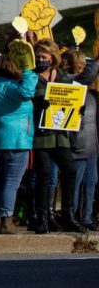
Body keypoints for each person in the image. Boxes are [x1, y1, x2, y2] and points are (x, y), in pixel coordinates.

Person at [0, 39, 37, 235]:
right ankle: (6, 220)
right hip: (16, 140)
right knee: (11, 182)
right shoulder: (11, 88)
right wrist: (30, 71)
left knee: (2, 180)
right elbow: (27, 92)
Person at [29, 39, 82, 232]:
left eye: (44, 56)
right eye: (38, 56)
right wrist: (37, 105)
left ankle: (68, 214)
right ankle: (41, 217)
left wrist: (78, 109)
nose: (40, 59)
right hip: (41, 135)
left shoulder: (62, 77)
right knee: (43, 174)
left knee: (70, 170)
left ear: (53, 57)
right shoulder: (32, 77)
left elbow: (70, 100)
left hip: (60, 134)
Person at [74, 74, 99, 231]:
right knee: (77, 181)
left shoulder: (93, 96)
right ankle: (74, 215)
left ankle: (87, 216)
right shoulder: (76, 91)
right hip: (79, 144)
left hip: (92, 145)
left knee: (91, 180)